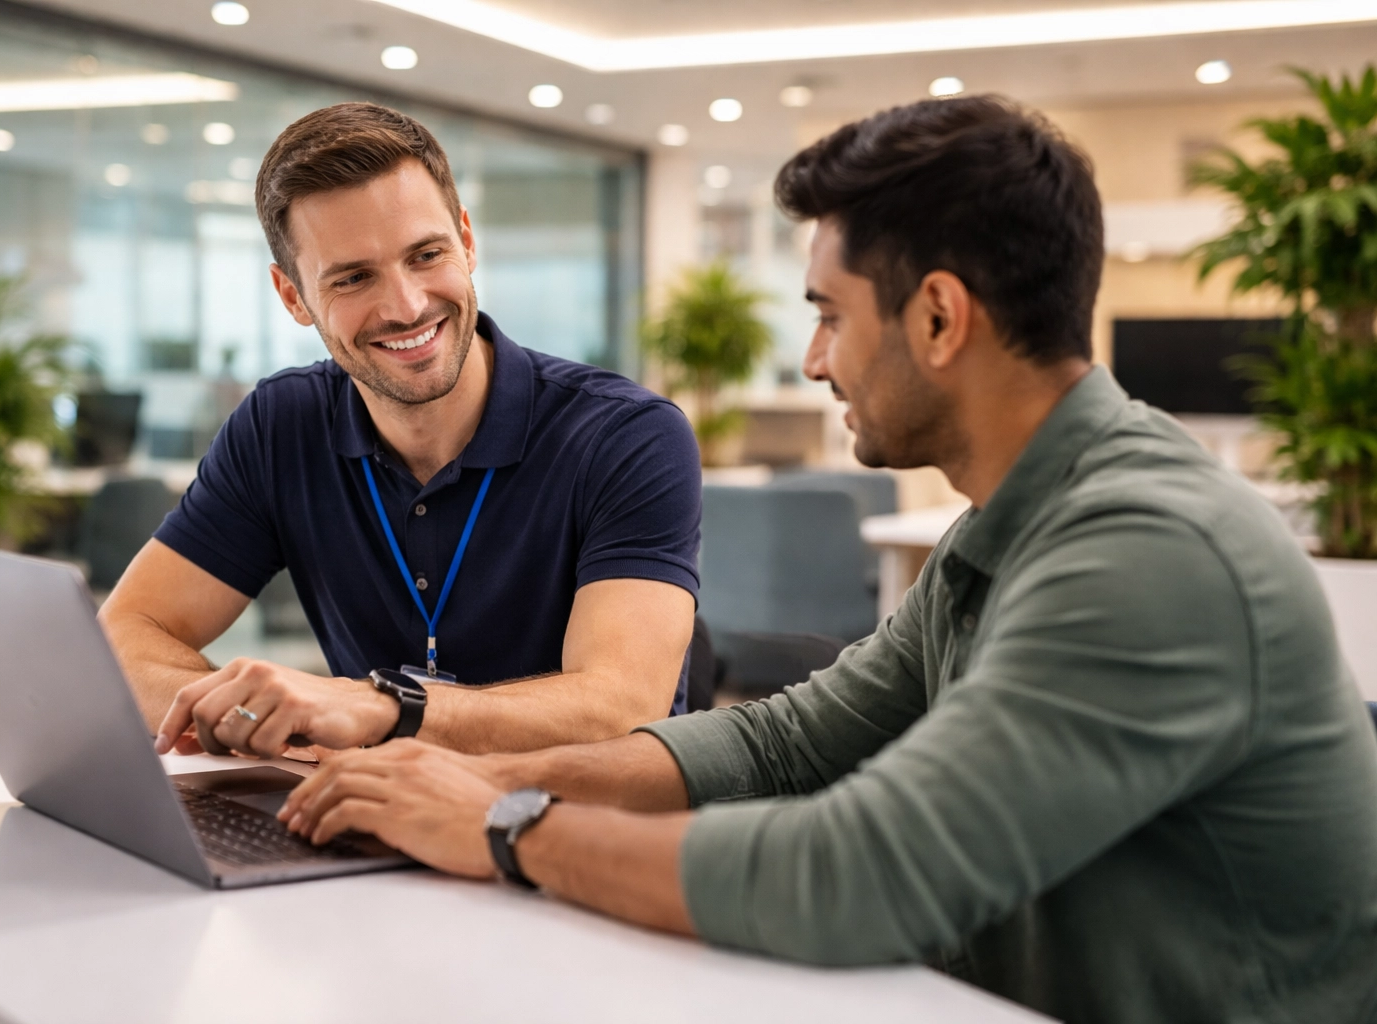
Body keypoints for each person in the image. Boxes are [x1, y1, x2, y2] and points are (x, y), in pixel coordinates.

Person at [270, 96, 1377, 1023]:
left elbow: (862, 875)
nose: (811, 361)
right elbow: (784, 743)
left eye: (830, 315)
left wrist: (507, 829)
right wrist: (482, 778)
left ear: (938, 319)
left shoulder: (1148, 552)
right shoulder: (1004, 529)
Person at [99, 102, 701, 759]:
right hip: (369, 811)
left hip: (571, 814)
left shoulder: (626, 435)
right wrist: (260, 719)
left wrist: (381, 708)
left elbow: (622, 707)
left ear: (467, 241)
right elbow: (127, 633)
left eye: (426, 254)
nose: (407, 306)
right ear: (293, 296)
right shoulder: (281, 424)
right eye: (354, 277)